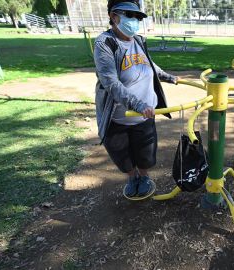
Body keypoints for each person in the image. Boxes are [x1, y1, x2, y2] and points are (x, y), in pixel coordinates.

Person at [94, 0, 178, 198]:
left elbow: (149, 64)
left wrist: (168, 76)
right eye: (129, 16)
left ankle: (144, 177)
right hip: (118, 116)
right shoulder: (105, 43)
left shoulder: (139, 40)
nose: (135, 21)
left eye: (137, 17)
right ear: (114, 17)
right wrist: (138, 104)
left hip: (143, 115)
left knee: (145, 152)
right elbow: (110, 82)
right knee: (122, 154)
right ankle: (132, 178)